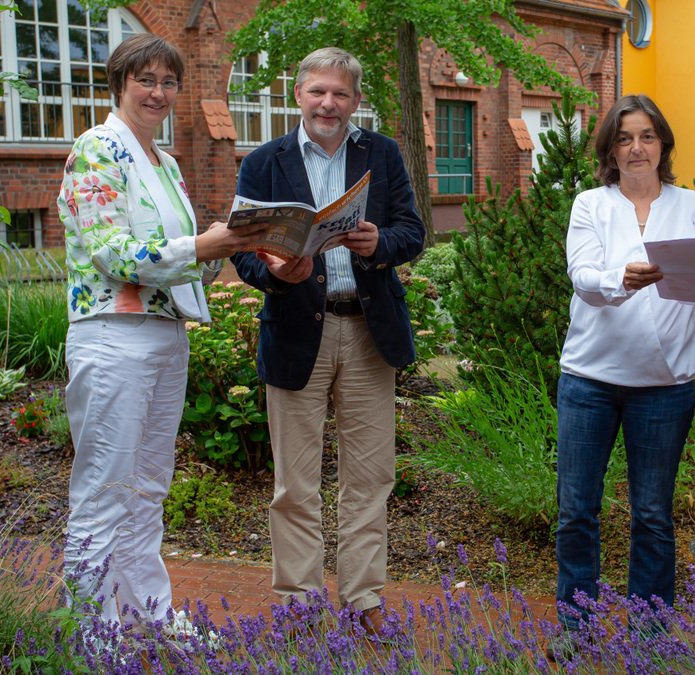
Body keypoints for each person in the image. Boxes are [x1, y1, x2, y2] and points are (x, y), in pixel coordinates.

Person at [58, 33, 265, 627]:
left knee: (149, 487)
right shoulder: (96, 149)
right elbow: (110, 253)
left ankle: (148, 617)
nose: (158, 92)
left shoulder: (165, 164)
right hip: (112, 334)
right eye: (145, 80)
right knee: (105, 490)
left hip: (165, 334)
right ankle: (93, 635)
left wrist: (239, 244)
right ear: (119, 83)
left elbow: (181, 264)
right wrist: (201, 246)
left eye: (168, 82)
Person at [230, 47, 425, 633]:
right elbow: (242, 248)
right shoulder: (263, 162)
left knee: (370, 477)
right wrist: (275, 273)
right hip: (295, 331)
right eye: (317, 91)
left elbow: (412, 232)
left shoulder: (381, 154)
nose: (328, 103)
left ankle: (363, 600)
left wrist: (380, 244)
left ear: (356, 100)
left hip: (368, 331)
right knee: (295, 483)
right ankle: (299, 603)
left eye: (340, 93)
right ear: (297, 94)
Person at [554, 95, 695, 642]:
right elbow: (583, 277)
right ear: (610, 151)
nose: (636, 148)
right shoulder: (591, 204)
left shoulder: (693, 206)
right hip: (589, 380)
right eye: (624, 139)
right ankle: (577, 626)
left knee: (653, 514)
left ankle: (650, 632)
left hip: (664, 386)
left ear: (662, 143)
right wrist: (622, 279)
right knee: (576, 510)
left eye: (646, 136)